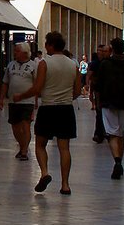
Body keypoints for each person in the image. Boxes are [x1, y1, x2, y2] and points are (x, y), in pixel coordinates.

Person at [14, 31, 81, 196]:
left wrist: (21, 96)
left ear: (50, 45)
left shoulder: (44, 63)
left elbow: (37, 88)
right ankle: (65, 184)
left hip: (48, 108)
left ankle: (44, 172)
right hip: (66, 109)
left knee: (40, 144)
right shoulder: (73, 65)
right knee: (64, 147)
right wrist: (66, 98)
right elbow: (78, 90)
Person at [95, 37, 124, 180]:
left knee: (112, 133)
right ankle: (119, 160)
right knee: (120, 132)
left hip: (109, 103)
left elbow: (98, 85)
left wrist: (97, 102)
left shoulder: (105, 65)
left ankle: (117, 161)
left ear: (112, 49)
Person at [0, 42, 36, 160]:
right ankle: (22, 145)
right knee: (15, 126)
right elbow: (5, 82)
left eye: (17, 51)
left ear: (25, 53)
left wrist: (36, 101)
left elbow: (37, 84)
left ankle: (24, 151)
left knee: (25, 126)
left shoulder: (33, 65)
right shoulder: (11, 65)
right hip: (13, 102)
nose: (14, 53)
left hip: (27, 101)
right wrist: (1, 98)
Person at [88, 43, 111, 144]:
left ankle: (105, 132)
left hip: (108, 91)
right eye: (99, 51)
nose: (100, 53)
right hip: (99, 91)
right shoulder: (95, 63)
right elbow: (90, 75)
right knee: (99, 112)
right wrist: (89, 86)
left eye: (103, 51)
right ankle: (99, 133)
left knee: (107, 112)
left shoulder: (109, 63)